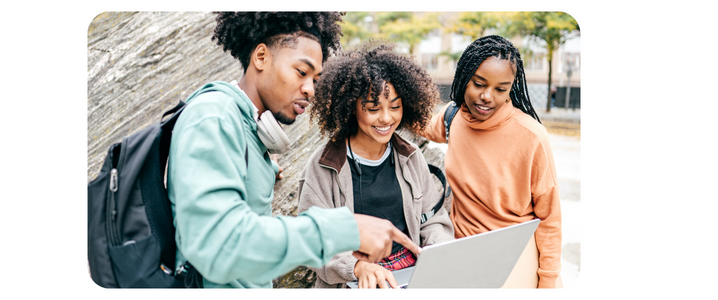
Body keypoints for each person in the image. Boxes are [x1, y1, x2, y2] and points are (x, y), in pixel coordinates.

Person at [167, 12, 419, 289]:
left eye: (315, 78)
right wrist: (345, 229)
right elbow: (218, 246)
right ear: (261, 57)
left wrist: (263, 168)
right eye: (301, 72)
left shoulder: (245, 131)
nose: (311, 89)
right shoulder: (213, 119)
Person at [298, 41, 454, 289]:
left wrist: (436, 251)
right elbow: (311, 242)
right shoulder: (323, 167)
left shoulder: (411, 157)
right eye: (373, 108)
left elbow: (434, 220)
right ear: (351, 108)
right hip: (353, 279)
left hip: (412, 275)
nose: (386, 118)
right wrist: (357, 268)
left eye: (395, 107)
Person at [421, 35, 562, 288]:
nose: (487, 96)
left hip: (514, 255)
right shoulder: (454, 116)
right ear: (464, 78)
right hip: (460, 251)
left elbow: (550, 218)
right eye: (479, 84)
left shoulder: (532, 136)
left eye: (500, 89)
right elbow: (420, 126)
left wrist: (548, 281)